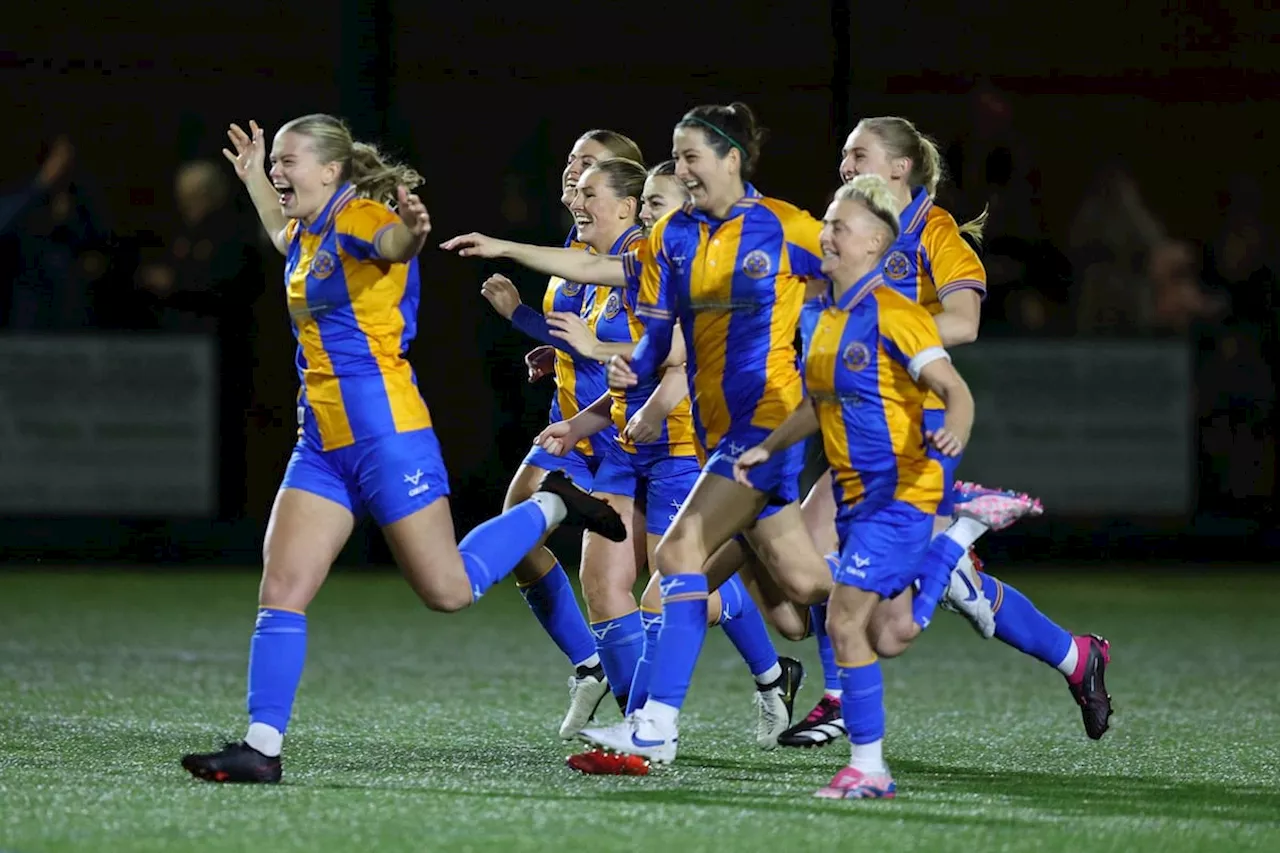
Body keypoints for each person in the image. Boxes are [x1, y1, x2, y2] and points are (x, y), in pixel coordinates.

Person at [179, 115, 624, 785]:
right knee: (283, 588)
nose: (279, 168)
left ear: (331, 171)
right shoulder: (306, 228)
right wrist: (252, 179)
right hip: (322, 443)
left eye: (288, 160)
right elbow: (279, 231)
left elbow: (392, 243)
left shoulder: (361, 217)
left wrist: (412, 234)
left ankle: (553, 507)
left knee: (447, 590)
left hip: (389, 436)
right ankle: (261, 746)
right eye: (276, 159)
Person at [443, 102, 837, 765]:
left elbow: (847, 284)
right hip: (703, 431)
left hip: (756, 425)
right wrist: (597, 403)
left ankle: (648, 727)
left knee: (676, 565)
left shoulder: (782, 226)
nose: (678, 173)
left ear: (731, 160)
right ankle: (924, 566)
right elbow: (654, 334)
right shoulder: (677, 244)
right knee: (802, 591)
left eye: (688, 161)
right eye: (673, 162)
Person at [534, 158, 803, 773]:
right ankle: (637, 726)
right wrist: (584, 418)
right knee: (605, 585)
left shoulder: (684, 264)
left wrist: (650, 402)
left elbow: (679, 363)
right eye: (572, 179)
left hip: (683, 443)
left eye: (591, 186)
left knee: (689, 593)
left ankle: (767, 673)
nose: (575, 190)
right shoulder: (638, 262)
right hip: (626, 447)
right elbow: (629, 362)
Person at [736, 174, 975, 798]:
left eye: (839, 226)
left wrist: (953, 432)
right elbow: (818, 405)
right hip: (853, 497)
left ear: (875, 242)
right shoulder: (823, 313)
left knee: (842, 622)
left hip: (902, 491)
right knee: (886, 635)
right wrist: (767, 445)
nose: (827, 234)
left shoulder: (897, 315)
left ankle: (868, 769)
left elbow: (956, 391)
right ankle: (949, 552)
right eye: (827, 224)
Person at [478, 129, 646, 739]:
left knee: (682, 582)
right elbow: (583, 337)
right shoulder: (576, 246)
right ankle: (593, 666)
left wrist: (518, 315)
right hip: (576, 422)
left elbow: (651, 352)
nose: (572, 173)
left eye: (588, 165)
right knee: (518, 527)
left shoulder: (639, 254)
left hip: (630, 432)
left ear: (625, 189)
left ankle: (763, 671)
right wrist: (556, 355)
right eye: (571, 160)